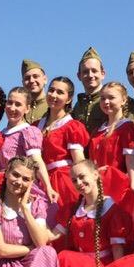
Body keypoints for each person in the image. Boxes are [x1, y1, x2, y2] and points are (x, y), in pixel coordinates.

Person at [50, 160, 130, 267]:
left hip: (100, 265)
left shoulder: (112, 209)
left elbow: (117, 249)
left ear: (95, 175)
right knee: (65, 258)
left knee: (66, 258)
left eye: (82, 177)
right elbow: (51, 236)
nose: (79, 183)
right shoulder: (74, 209)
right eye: (74, 180)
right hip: (79, 266)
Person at [33, 77, 90, 207]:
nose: (53, 95)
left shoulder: (72, 126)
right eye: (51, 90)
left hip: (63, 181)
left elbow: (79, 160)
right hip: (39, 182)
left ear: (68, 99)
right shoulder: (35, 126)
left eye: (60, 92)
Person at [0, 87, 58, 202]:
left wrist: (48, 187)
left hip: (21, 188)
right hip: (2, 187)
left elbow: (37, 161)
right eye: (10, 103)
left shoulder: (28, 132)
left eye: (18, 104)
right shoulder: (0, 134)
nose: (12, 108)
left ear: (27, 109)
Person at [88, 81, 134, 207]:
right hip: (97, 184)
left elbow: (131, 159)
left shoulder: (127, 128)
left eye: (111, 98)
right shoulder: (97, 131)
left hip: (117, 184)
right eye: (103, 98)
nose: (106, 102)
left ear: (123, 100)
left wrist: (133, 184)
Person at [72, 47, 107, 133]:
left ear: (103, 74)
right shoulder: (77, 106)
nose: (90, 75)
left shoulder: (111, 100)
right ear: (79, 76)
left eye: (94, 71)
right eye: (85, 72)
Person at [21, 59, 49, 123]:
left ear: (45, 79)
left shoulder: (53, 105)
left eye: (35, 76)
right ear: (23, 83)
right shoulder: (20, 108)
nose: (31, 80)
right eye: (27, 78)